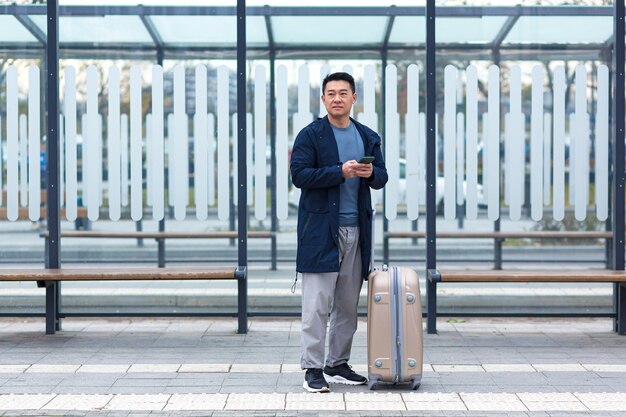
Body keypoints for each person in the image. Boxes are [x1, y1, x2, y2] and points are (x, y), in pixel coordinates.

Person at [290, 72, 388, 393]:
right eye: (330, 93)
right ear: (323, 99)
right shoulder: (311, 135)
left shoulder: (367, 135)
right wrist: (339, 172)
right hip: (320, 232)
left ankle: (337, 362)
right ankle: (313, 368)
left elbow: (382, 177)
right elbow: (300, 175)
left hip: (356, 231)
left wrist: (371, 171)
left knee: (347, 304)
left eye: (343, 93)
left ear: (354, 98)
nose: (336, 98)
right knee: (317, 304)